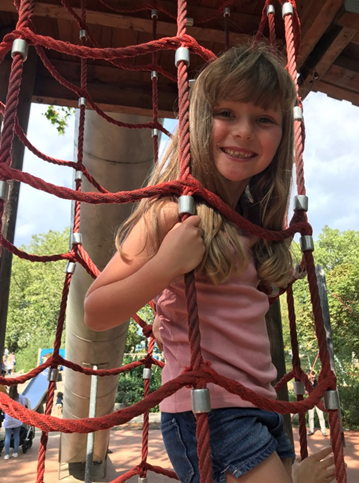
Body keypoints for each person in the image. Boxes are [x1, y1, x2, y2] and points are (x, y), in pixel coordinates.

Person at [84, 43, 298, 482]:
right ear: (199, 122)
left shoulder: (256, 227)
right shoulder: (172, 213)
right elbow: (96, 310)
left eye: (263, 120)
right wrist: (165, 265)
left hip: (263, 404)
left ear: (281, 136)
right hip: (208, 410)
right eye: (226, 114)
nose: (243, 131)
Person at [3, 385, 28, 459]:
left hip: (8, 418)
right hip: (17, 418)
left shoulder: (6, 397)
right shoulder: (21, 397)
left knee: (7, 436)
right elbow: (23, 407)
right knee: (16, 435)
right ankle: (15, 452)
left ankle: (7, 454)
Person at [307, 371, 327, 436]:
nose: (313, 378)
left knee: (321, 416)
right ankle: (311, 430)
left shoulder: (317, 383)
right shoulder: (307, 383)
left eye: (314, 377)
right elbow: (306, 392)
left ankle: (323, 430)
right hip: (310, 402)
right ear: (309, 377)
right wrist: (310, 384)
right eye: (312, 377)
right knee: (311, 417)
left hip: (318, 401)